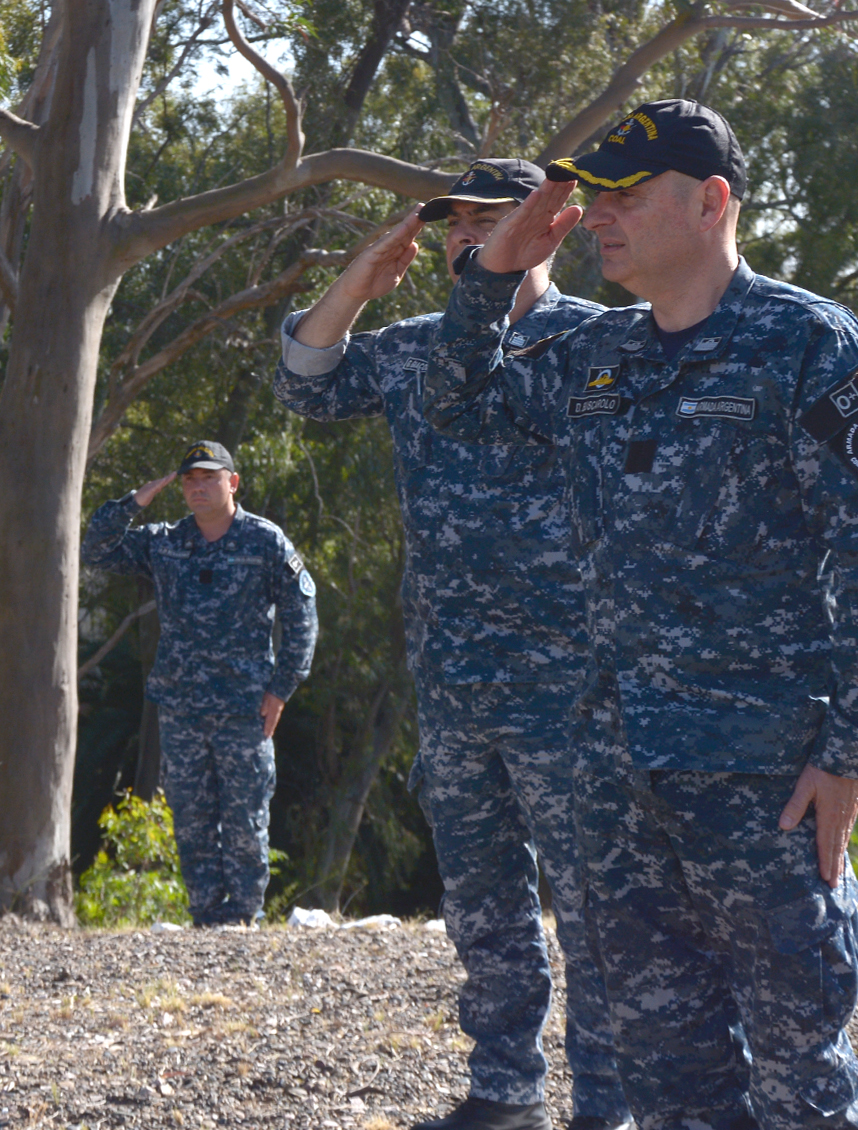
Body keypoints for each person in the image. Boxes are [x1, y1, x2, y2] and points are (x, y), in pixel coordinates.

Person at [424, 100, 858, 1129]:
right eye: (592, 196)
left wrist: (852, 753)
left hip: (764, 782)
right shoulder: (597, 355)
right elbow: (454, 406)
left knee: (797, 1082)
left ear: (711, 202)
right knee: (668, 1080)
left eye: (625, 196)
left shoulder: (804, 343)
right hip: (617, 786)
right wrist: (493, 275)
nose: (598, 215)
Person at [274, 160, 628, 1130]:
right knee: (483, 902)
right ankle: (504, 1088)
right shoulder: (415, 347)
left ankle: (608, 1100)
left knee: (597, 902)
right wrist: (360, 278)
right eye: (455, 223)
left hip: (572, 681)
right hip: (456, 679)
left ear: (544, 226)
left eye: (491, 219)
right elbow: (304, 384)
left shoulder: (595, 342)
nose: (468, 236)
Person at [81, 441, 317, 927]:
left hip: (246, 707)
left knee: (245, 817)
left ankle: (244, 916)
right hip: (182, 706)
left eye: (209, 478)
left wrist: (282, 689)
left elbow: (303, 614)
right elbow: (96, 549)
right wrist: (134, 501)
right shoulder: (164, 541)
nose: (198, 487)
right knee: (190, 817)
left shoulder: (265, 542)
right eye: (190, 480)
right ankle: (207, 917)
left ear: (232, 483)